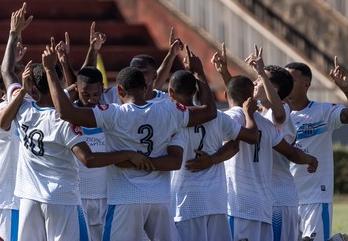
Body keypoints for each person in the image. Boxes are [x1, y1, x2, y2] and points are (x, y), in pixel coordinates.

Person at [1, 4, 153, 241]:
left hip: (29, 196)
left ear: (31, 87)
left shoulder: (23, 109)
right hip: (63, 199)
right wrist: (127, 154)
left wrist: (13, 34)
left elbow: (6, 71)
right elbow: (89, 159)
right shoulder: (65, 121)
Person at [42, 40, 217, 240]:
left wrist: (49, 70)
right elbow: (210, 112)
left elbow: (66, 111)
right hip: (159, 200)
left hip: (125, 199)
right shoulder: (170, 110)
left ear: (120, 91)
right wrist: (199, 73)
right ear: (145, 88)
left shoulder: (114, 114)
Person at [221, 75, 318, 241]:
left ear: (224, 95)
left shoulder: (228, 118)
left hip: (239, 206)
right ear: (251, 96)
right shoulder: (267, 125)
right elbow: (292, 153)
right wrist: (311, 159)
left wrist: (209, 159)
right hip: (264, 207)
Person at [168, 69, 259, 241]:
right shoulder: (216, 117)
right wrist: (212, 160)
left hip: (186, 203)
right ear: (194, 91)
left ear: (170, 91)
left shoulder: (170, 117)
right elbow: (244, 140)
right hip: (215, 200)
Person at [285, 59, 348, 241]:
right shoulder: (275, 116)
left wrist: (346, 88)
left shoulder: (322, 112)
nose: (286, 83)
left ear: (306, 84)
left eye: (291, 79)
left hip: (315, 196)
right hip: (284, 199)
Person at [0, 3, 32, 241]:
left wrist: (12, 53)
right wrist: (12, 35)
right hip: (8, 201)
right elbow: (5, 77)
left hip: (1, 199)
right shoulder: (7, 112)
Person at [100, 27, 184, 104]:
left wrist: (172, 54)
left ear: (154, 76)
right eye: (134, 71)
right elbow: (88, 86)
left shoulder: (166, 101)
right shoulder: (115, 94)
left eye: (144, 72)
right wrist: (93, 50)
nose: (138, 75)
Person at [73, 66, 109, 241]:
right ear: (77, 89)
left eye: (96, 94)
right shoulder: (69, 115)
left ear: (102, 88)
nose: (91, 99)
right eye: (85, 94)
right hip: (78, 197)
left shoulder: (111, 113)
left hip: (106, 195)